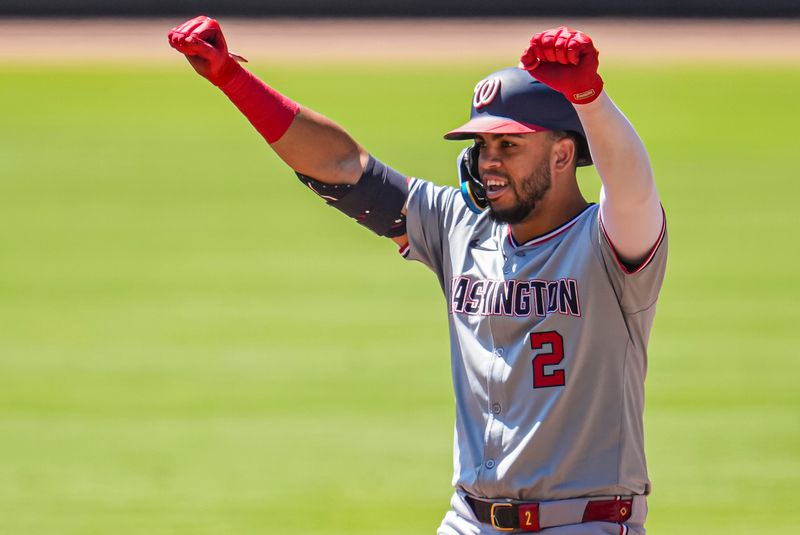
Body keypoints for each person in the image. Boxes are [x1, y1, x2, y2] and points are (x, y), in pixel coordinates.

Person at [168, 17, 667, 535]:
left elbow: (632, 187)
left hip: (581, 525)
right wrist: (232, 79)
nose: (488, 162)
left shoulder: (610, 242)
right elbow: (343, 167)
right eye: (482, 146)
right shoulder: (460, 227)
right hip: (469, 521)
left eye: (509, 146)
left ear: (563, 153)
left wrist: (589, 97)